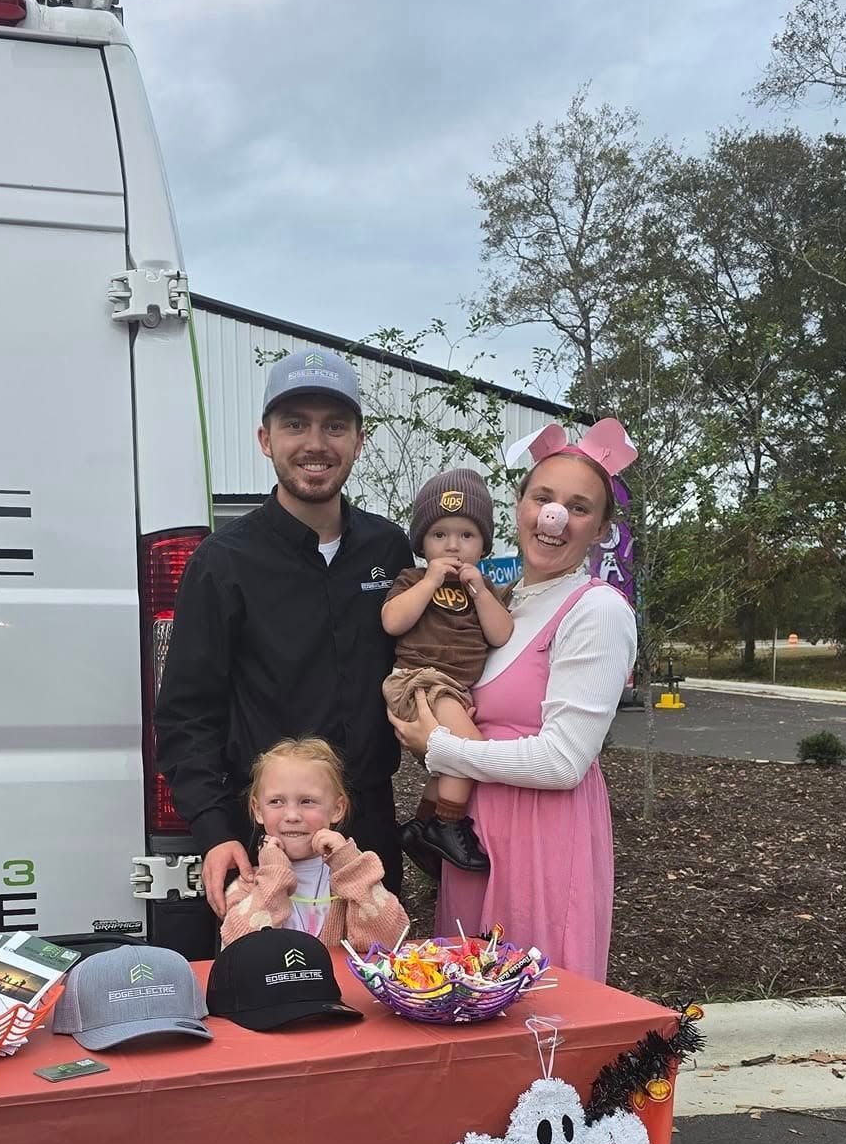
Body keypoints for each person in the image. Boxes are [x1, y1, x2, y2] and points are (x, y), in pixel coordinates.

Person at [154, 348, 414, 917]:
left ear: (358, 441)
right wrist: (215, 829)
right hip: (268, 843)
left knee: (375, 988)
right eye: (295, 424)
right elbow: (186, 712)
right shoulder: (222, 563)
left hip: (367, 834)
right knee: (273, 994)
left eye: (334, 426)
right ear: (265, 439)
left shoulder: (389, 550)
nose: (316, 443)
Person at [389, 420, 639, 982]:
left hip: (542, 836)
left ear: (600, 529)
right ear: (520, 506)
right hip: (476, 834)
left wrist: (443, 749)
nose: (555, 518)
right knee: (467, 999)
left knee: (537, 1010)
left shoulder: (595, 610)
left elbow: (562, 762)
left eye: (578, 507)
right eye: (543, 498)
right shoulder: (506, 604)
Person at [380, 468, 514, 876]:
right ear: (422, 542)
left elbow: (501, 633)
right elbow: (392, 621)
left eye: (466, 536)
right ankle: (447, 824)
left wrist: (478, 590)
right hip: (418, 680)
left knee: (448, 762)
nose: (452, 545)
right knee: (469, 748)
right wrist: (430, 581)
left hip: (456, 689)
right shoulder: (412, 579)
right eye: (440, 535)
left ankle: (420, 825)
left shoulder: (484, 588)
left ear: (483, 545)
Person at [219, 738, 408, 951]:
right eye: (276, 802)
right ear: (258, 810)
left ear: (337, 809)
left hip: (343, 985)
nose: (291, 815)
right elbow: (234, 951)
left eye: (307, 801)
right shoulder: (247, 886)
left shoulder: (355, 876)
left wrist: (350, 867)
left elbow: (392, 940)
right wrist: (274, 876)